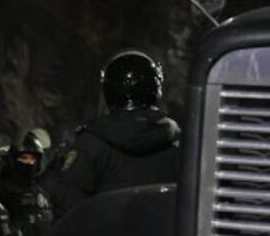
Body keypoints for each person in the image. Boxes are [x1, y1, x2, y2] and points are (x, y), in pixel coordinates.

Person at [51, 50, 180, 218]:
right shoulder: (178, 143)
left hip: (105, 234)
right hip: (162, 233)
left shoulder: (91, 144)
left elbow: (67, 205)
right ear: (155, 87)